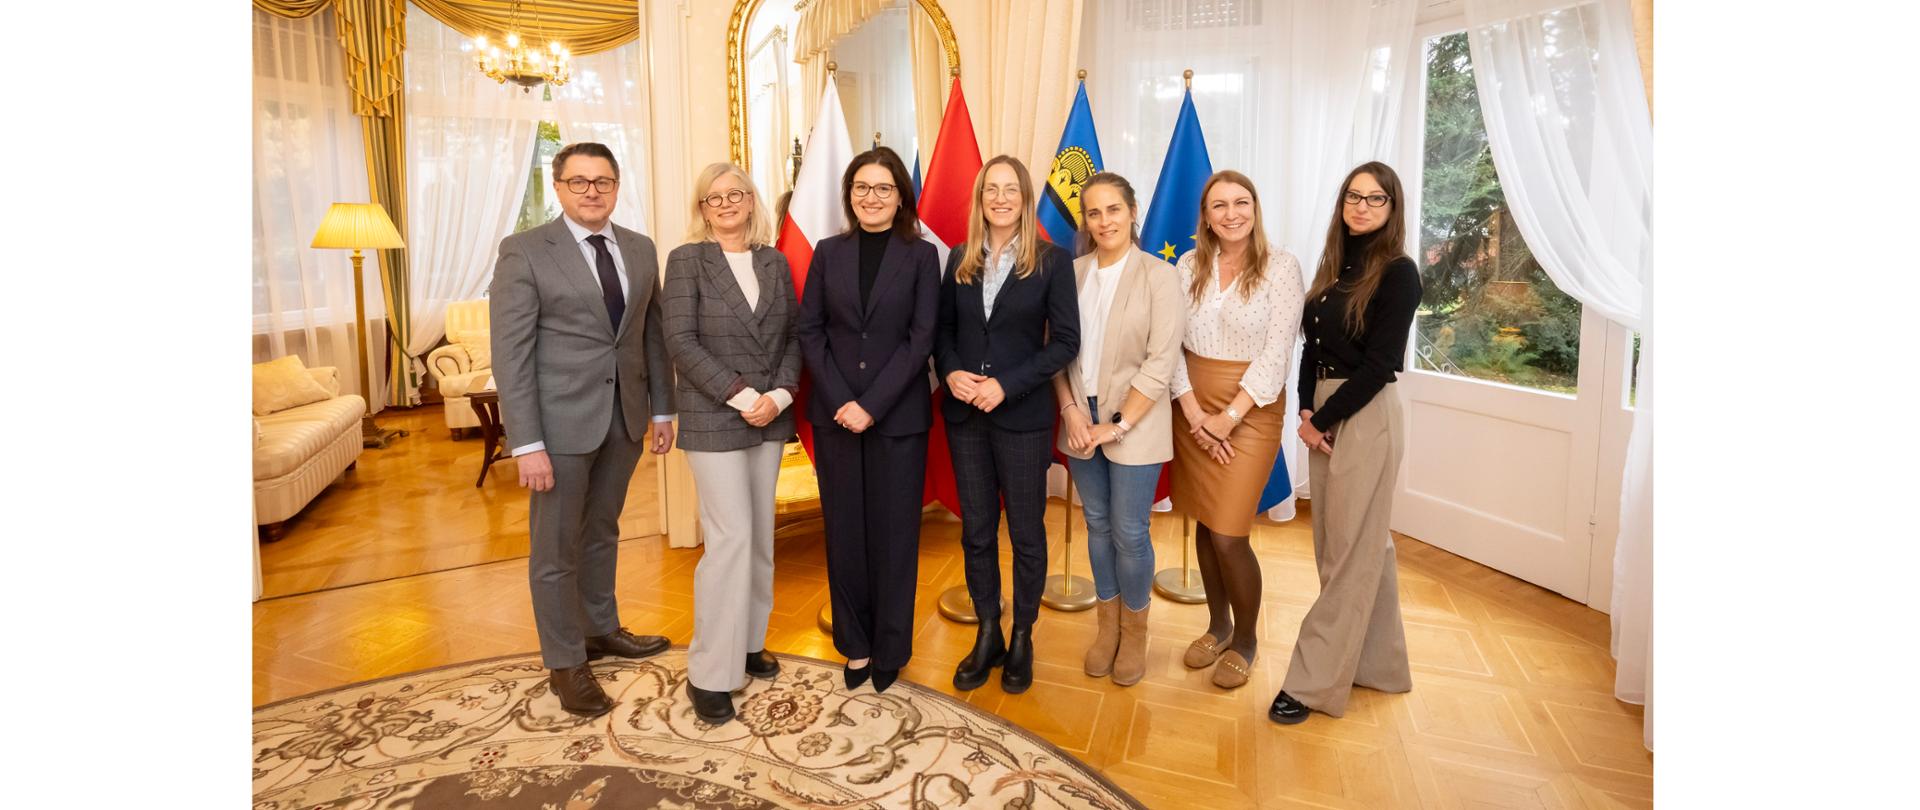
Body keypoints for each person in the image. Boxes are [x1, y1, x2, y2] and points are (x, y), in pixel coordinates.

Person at [489, 142, 677, 717]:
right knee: (554, 548)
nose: (592, 191)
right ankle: (565, 662)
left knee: (603, 531)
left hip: (623, 420)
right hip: (557, 427)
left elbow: (652, 335)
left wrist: (663, 410)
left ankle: (600, 628)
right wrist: (526, 442)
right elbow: (511, 354)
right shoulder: (524, 252)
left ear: (617, 188)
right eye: (579, 181)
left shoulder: (641, 250)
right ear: (559, 187)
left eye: (603, 181)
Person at [1269, 162, 1421, 725]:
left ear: (1391, 208)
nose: (1361, 207)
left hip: (1366, 410)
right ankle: (1380, 665)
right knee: (1353, 544)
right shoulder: (1334, 269)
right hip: (1328, 411)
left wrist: (1323, 417)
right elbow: (1312, 348)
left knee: (1350, 549)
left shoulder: (1399, 272)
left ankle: (1310, 683)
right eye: (1353, 197)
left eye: (1375, 199)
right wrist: (1308, 408)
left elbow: (1382, 363)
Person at [796, 146, 941, 694]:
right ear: (849, 195)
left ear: (900, 196)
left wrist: (872, 404)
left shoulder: (922, 256)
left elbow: (921, 339)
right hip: (836, 417)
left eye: (883, 188)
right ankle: (854, 645)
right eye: (862, 188)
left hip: (897, 418)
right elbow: (810, 330)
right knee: (845, 534)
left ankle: (890, 647)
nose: (872, 198)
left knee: (894, 536)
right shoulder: (828, 252)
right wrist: (841, 400)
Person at [936, 155, 1080, 694]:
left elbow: (1065, 342)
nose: (1000, 198)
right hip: (965, 416)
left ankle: (1023, 635)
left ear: (1024, 199)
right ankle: (989, 631)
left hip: (1020, 417)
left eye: (1010, 190)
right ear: (980, 199)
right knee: (976, 531)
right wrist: (950, 372)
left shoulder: (1051, 260)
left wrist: (1008, 384)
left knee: (1025, 533)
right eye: (990, 190)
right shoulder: (959, 258)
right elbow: (943, 331)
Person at [661, 163, 799, 725]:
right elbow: (681, 342)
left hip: (770, 416)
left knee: (760, 535)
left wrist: (783, 395)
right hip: (717, 417)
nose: (725, 204)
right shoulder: (686, 260)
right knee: (730, 538)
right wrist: (745, 396)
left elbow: (793, 335)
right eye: (713, 197)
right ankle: (710, 673)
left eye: (735, 194)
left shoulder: (774, 260)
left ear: (750, 200)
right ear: (702, 207)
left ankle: (747, 642)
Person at [1167, 170, 1304, 691]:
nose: (1231, 213)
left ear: (1255, 207)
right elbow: (1171, 343)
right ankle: (1216, 625)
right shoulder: (1187, 266)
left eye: (1241, 202)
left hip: (1252, 408)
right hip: (1192, 406)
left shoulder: (1281, 267)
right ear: (1205, 215)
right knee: (1205, 520)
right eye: (1219, 205)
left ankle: (1245, 639)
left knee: (1229, 532)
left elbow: (1278, 352)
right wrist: (1195, 412)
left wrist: (1228, 417)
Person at [1050, 173, 1185, 687]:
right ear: (1084, 221)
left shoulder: (1160, 276)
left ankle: (1135, 630)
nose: (1104, 221)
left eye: (1113, 210)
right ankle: (1106, 630)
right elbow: (1058, 351)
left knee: (1130, 532)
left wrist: (1119, 424)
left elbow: (1160, 361)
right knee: (1098, 526)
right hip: (1079, 418)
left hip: (1137, 422)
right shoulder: (1073, 273)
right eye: (1093, 212)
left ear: (1132, 213)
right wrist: (1069, 409)